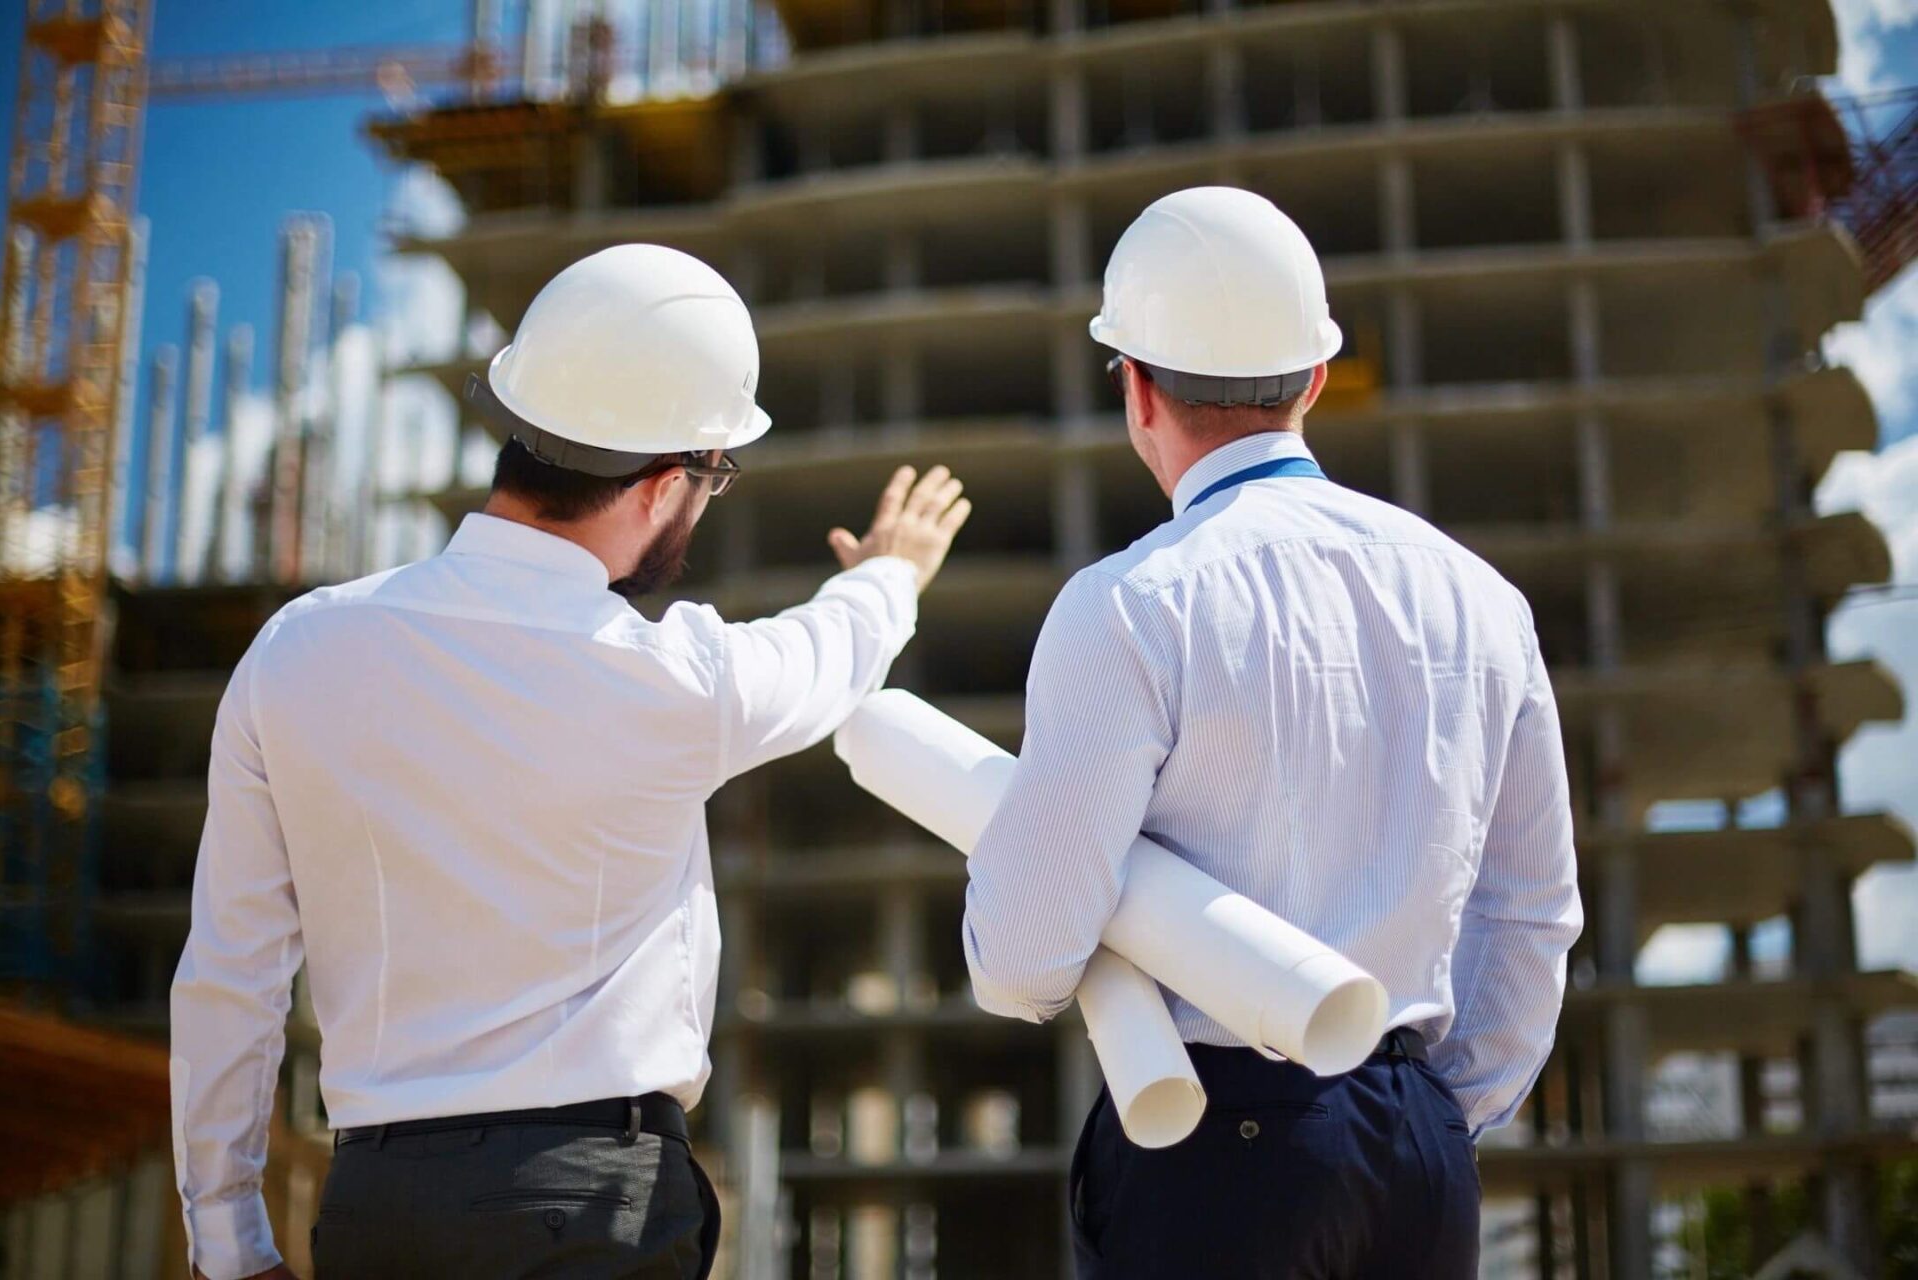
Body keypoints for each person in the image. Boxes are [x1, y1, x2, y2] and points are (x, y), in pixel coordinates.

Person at [169, 244, 972, 1280]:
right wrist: (893, 574)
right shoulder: (669, 676)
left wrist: (229, 1241)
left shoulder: (296, 651)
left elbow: (230, 969)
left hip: (377, 1210)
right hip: (592, 1206)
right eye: (713, 477)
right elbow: (827, 657)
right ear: (665, 483)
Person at [961, 187, 1583, 1278]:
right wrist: (1437, 1109)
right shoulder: (1480, 597)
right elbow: (1530, 912)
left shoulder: (1130, 605)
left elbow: (1022, 963)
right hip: (1416, 1149)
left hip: (1209, 1140)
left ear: (1136, 389)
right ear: (1315, 378)